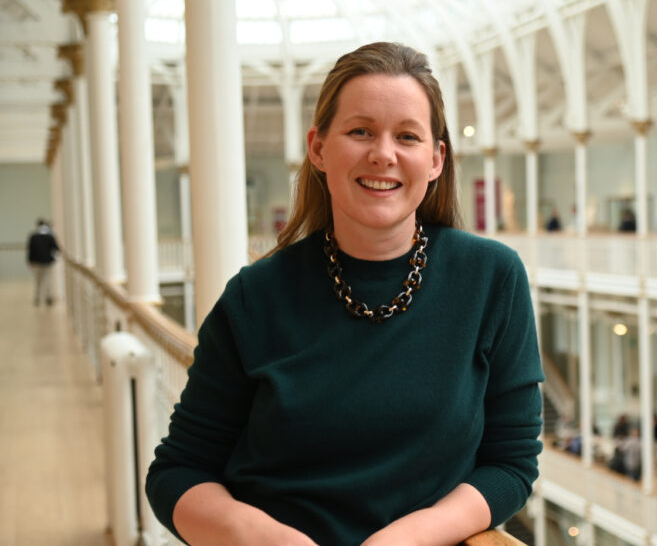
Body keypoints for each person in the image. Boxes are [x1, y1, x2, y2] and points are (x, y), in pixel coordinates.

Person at [146, 42, 544, 546]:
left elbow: (511, 463)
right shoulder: (255, 297)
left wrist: (404, 539)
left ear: (437, 158)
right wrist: (264, 538)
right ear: (318, 148)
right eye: (360, 131)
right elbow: (177, 471)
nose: (383, 153)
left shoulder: (492, 277)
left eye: (407, 136)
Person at [26, 219, 59, 306]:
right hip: (47, 262)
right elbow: (56, 248)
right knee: (48, 280)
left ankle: (37, 297)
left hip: (36, 263)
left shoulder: (33, 237)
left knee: (38, 281)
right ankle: (48, 297)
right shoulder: (50, 236)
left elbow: (30, 251)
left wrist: (30, 261)